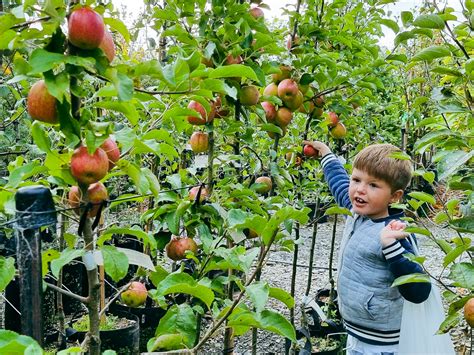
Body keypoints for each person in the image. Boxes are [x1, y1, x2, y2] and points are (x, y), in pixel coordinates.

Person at [302, 141, 431, 355]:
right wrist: (326, 155)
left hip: (384, 344)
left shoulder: (395, 233)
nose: (360, 189)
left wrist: (391, 247)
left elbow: (419, 292)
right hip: (357, 333)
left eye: (373, 185)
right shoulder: (359, 211)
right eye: (356, 179)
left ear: (395, 196)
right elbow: (340, 184)